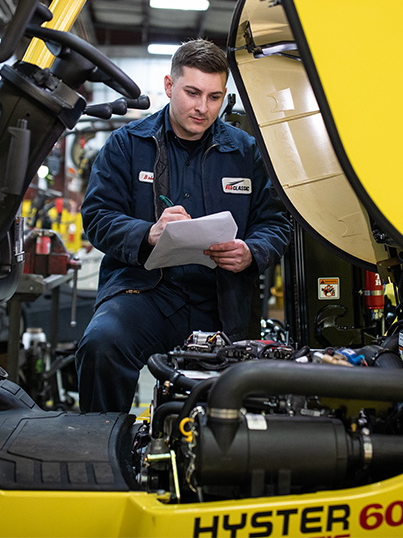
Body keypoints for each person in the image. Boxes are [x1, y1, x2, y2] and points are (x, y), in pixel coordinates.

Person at [76, 39, 291, 413]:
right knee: (101, 346)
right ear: (169, 85)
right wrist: (147, 233)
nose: (203, 107)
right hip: (146, 293)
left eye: (214, 97)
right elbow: (98, 216)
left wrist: (252, 251)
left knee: (242, 393)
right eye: (192, 93)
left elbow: (276, 223)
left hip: (222, 300)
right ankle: (101, 442)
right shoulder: (128, 145)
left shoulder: (246, 152)